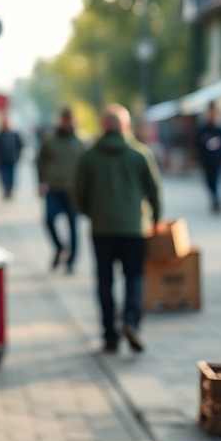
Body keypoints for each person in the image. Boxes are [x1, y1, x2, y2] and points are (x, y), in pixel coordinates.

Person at [74, 104, 162, 354]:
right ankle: (131, 321)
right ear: (125, 126)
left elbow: (78, 192)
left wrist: (90, 213)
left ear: (103, 126)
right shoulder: (140, 153)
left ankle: (110, 336)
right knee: (134, 275)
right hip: (134, 227)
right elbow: (154, 190)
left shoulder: (89, 155)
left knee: (105, 281)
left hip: (101, 228)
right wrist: (155, 218)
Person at [36, 107, 85, 273]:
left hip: (73, 190)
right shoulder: (50, 140)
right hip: (54, 188)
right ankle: (60, 247)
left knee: (73, 226)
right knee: (49, 220)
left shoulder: (79, 142)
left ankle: (71, 261)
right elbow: (40, 161)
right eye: (65, 119)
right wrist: (41, 182)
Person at [195, 103, 221, 213]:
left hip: (217, 160)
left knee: (216, 180)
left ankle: (216, 199)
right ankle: (214, 198)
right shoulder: (202, 130)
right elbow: (198, 145)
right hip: (206, 161)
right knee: (209, 181)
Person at [0, 115, 24, 200]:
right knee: (4, 177)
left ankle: (10, 190)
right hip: (2, 160)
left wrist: (18, 155)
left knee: (12, 176)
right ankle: (6, 190)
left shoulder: (14, 135)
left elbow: (20, 145)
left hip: (12, 159)